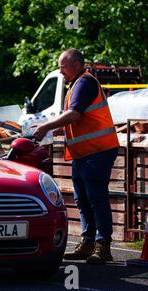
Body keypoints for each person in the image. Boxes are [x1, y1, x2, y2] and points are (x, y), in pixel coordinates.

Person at [32, 48, 120, 264]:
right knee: (83, 198)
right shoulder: (76, 84)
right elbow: (78, 121)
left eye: (63, 66)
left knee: (96, 197)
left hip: (97, 151)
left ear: (76, 65)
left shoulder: (84, 83)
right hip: (86, 153)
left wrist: (46, 126)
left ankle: (103, 246)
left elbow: (74, 114)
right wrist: (54, 130)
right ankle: (88, 242)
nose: (60, 70)